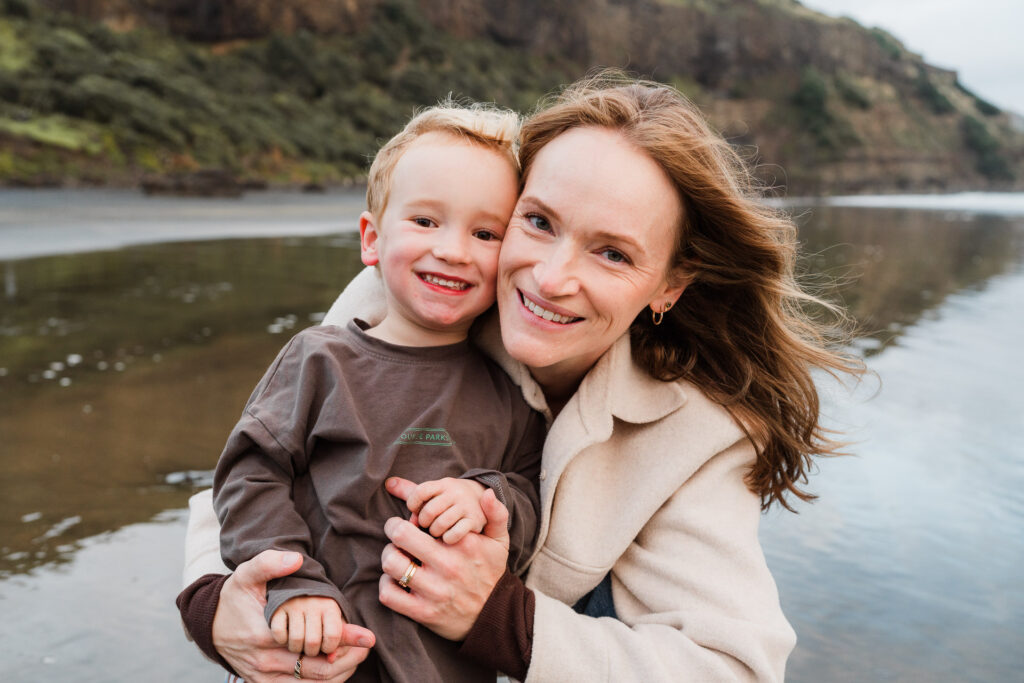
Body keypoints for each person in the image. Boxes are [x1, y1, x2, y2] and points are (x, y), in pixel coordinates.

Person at [179, 72, 863, 682]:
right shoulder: (410, 302)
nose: (552, 278)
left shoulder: (702, 432)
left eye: (613, 253)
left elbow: (736, 668)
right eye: (537, 222)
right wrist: (216, 611)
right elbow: (256, 467)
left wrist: (502, 618)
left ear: (669, 286)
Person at [206, 102, 546, 683]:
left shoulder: (511, 393)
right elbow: (249, 474)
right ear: (371, 239)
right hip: (315, 657)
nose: (454, 250)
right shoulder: (319, 359)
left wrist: (486, 498)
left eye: (485, 232)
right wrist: (291, 582)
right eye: (425, 222)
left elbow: (529, 500)